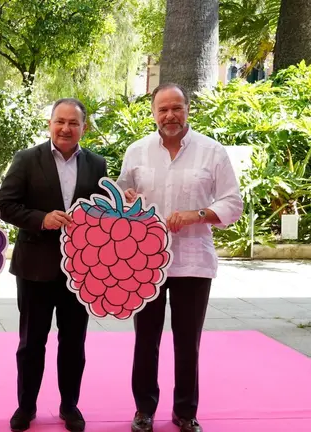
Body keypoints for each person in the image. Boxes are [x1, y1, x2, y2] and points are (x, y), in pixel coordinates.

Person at [117, 83, 243, 432]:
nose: (170, 115)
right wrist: (126, 196)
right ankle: (144, 410)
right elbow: (122, 195)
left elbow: (233, 203)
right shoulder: (137, 151)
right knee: (146, 341)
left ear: (188, 109)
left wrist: (197, 214)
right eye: (163, 109)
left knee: (188, 342)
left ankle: (185, 412)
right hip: (145, 262)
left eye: (176, 108)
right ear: (153, 113)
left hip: (193, 261)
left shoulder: (211, 151)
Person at [0, 98, 108, 432]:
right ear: (50, 124)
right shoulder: (27, 159)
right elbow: (6, 205)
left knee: (74, 343)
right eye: (60, 121)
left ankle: (69, 406)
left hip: (81, 271)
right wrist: (41, 219)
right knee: (31, 342)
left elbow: (102, 212)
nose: (66, 128)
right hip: (35, 268)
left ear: (83, 128)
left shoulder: (97, 164)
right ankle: (26, 406)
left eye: (73, 123)